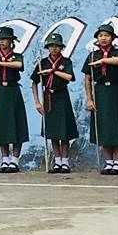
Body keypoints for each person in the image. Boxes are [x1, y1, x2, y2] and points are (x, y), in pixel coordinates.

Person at [82, 25, 118, 175]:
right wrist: (89, 98)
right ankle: (108, 162)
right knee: (103, 127)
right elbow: (87, 78)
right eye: (101, 35)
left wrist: (104, 61)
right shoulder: (92, 55)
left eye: (107, 35)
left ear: (112, 38)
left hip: (116, 90)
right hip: (100, 91)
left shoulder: (117, 52)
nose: (103, 38)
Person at [0, 26, 27, 173]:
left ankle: (15, 159)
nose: (1, 42)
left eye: (4, 39)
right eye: (0, 39)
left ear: (10, 41)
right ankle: (5, 158)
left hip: (13, 91)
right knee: (2, 125)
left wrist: (1, 64)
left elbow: (19, 65)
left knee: (17, 124)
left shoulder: (16, 56)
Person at [31, 32, 77, 173]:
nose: (54, 48)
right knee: (53, 131)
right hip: (48, 97)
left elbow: (69, 77)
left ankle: (65, 161)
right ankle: (57, 161)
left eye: (57, 46)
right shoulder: (42, 63)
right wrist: (37, 102)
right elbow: (34, 82)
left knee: (64, 131)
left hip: (62, 96)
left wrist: (53, 71)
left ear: (61, 47)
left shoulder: (66, 61)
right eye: (51, 46)